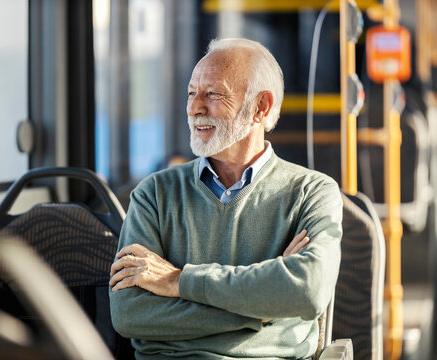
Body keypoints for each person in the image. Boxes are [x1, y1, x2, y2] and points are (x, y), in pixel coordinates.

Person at [109, 38, 343, 359]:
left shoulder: (313, 192)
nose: (195, 108)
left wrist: (180, 281)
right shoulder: (154, 193)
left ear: (260, 107)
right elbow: (129, 313)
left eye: (213, 94)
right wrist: (264, 309)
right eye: (191, 93)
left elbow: (307, 290)